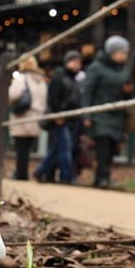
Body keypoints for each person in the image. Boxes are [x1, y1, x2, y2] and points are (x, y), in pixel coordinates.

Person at [83, 36, 133, 189]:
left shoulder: (123, 70)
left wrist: (128, 92)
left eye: (125, 53)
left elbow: (127, 92)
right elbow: (88, 92)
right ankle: (102, 178)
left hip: (117, 116)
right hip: (101, 114)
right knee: (102, 147)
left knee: (112, 148)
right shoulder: (96, 68)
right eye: (120, 52)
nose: (123, 55)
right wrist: (87, 115)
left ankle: (105, 176)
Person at [33, 50, 83, 184]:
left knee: (58, 147)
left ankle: (40, 171)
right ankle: (67, 176)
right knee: (65, 147)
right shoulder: (59, 77)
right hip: (59, 118)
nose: (76, 65)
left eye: (78, 62)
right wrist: (58, 115)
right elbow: (52, 99)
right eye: (73, 61)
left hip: (70, 119)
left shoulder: (75, 81)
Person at [8, 56, 47, 180]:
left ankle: (21, 175)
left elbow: (12, 95)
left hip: (23, 117)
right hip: (36, 118)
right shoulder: (41, 81)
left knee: (21, 149)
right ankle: (23, 173)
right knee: (27, 149)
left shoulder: (21, 79)